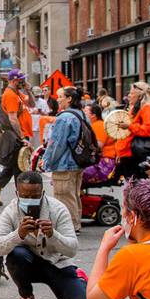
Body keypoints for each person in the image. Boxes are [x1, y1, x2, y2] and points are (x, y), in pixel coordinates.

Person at [0, 169, 86, 299]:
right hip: (28, 264)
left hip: (57, 264)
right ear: (17, 194)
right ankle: (26, 295)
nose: (30, 200)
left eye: (34, 196)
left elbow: (72, 249)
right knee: (16, 255)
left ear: (42, 193)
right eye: (25, 196)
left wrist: (53, 235)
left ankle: (78, 279)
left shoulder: (58, 209)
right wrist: (18, 234)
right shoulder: (10, 211)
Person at [42, 86, 86, 232]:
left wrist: (47, 161)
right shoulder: (82, 114)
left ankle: (71, 227)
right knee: (73, 195)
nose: (58, 99)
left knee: (63, 197)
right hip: (78, 161)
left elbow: (57, 144)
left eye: (61, 96)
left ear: (69, 99)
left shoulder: (64, 117)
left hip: (64, 163)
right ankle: (75, 223)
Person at [0, 70, 29, 205]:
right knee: (19, 168)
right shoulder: (10, 95)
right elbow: (13, 119)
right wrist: (22, 137)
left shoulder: (17, 94)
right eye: (21, 80)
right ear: (13, 81)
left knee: (13, 165)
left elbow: (31, 103)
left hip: (17, 135)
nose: (23, 82)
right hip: (16, 136)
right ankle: (22, 198)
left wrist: (30, 91)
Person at [123, 81, 150, 179]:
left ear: (139, 96)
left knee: (140, 185)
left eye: (131, 93)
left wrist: (129, 126)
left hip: (141, 154)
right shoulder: (139, 108)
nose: (129, 96)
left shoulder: (149, 108)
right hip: (134, 153)